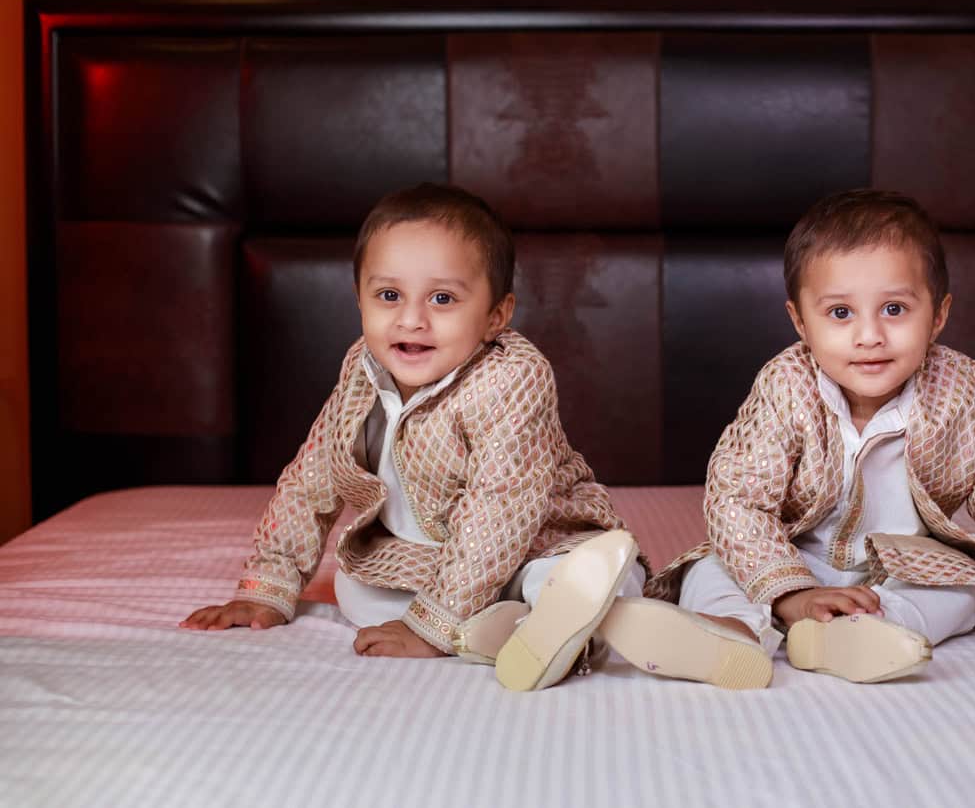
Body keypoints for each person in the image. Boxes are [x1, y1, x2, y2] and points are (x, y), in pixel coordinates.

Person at [180, 182, 645, 691]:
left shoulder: (513, 378)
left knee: (591, 574)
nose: (412, 319)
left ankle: (564, 616)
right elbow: (309, 482)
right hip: (429, 560)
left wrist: (431, 627)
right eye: (389, 295)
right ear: (359, 299)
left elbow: (502, 508)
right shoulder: (363, 370)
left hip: (539, 541)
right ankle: (512, 630)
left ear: (496, 315)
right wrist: (267, 589)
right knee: (355, 588)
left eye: (442, 298)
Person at [641, 189, 975, 685]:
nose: (869, 336)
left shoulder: (959, 392)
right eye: (841, 313)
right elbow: (737, 499)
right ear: (800, 321)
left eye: (895, 309)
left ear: (938, 315)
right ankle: (733, 632)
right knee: (710, 568)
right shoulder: (786, 386)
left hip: (903, 568)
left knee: (961, 591)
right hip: (793, 554)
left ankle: (859, 634)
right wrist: (792, 590)